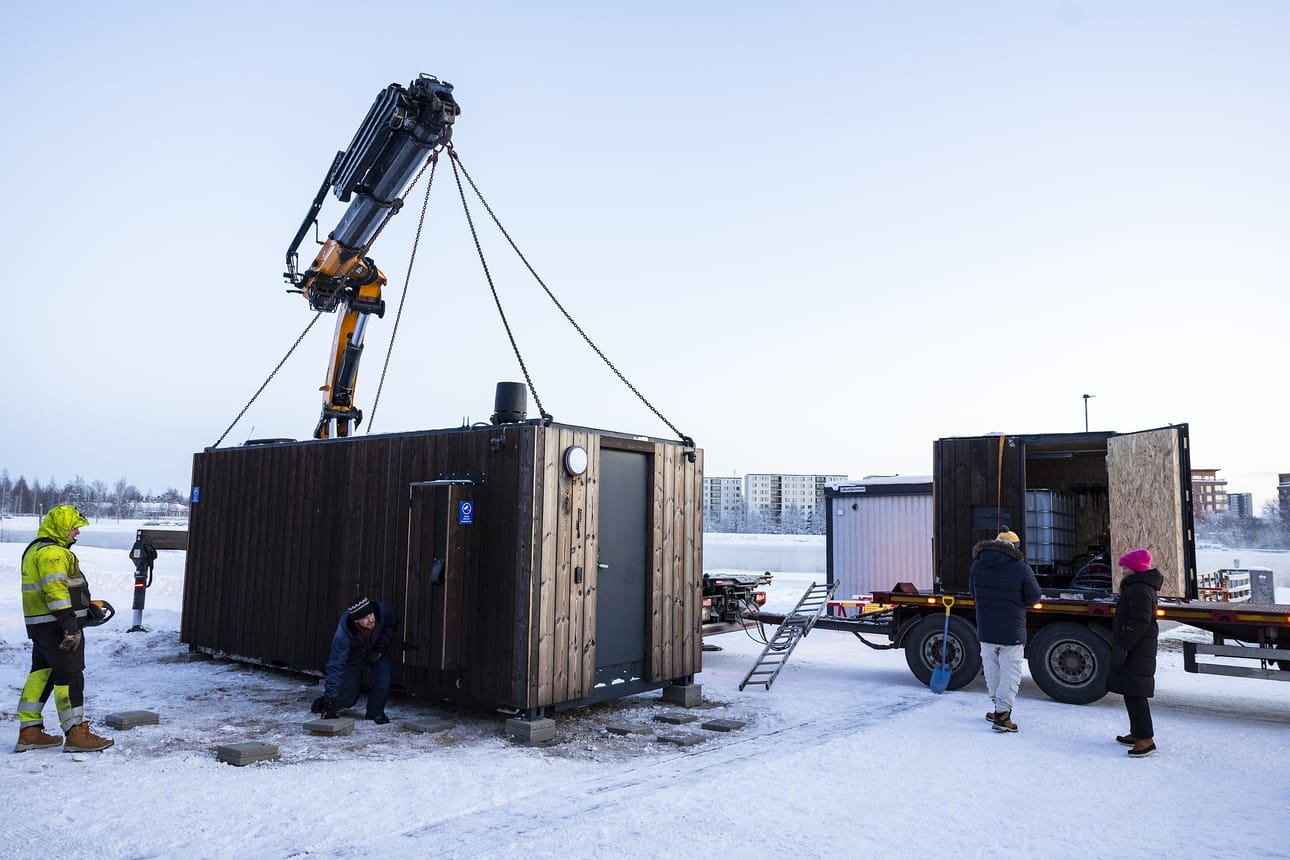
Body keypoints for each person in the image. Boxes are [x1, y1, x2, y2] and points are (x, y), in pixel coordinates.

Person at [15, 505, 114, 753]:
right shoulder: (53, 553)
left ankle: (30, 731)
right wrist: (70, 625)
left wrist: (85, 607)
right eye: (74, 527)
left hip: (41, 625)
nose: (77, 532)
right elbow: (56, 591)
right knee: (69, 676)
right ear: (61, 526)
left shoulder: (36, 549)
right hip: (57, 626)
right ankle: (76, 733)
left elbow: (58, 589)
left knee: (42, 672)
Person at [969, 529, 1042, 734]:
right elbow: (1033, 597)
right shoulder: (1021, 568)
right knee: (1011, 672)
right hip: (1011, 630)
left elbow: (973, 592)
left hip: (986, 627)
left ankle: (997, 709)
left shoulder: (977, 565)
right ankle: (1003, 717)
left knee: (992, 670)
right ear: (1015, 547)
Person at [1108, 548, 1162, 758]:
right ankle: (1137, 732)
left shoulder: (1139, 589)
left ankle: (1145, 740)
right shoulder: (1139, 586)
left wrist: (1124, 644)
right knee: (1131, 692)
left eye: (1125, 567)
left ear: (1135, 569)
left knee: (1136, 693)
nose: (1122, 570)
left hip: (1137, 649)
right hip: (1138, 648)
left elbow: (1139, 622)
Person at [311, 597, 399, 724]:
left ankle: (375, 712)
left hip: (375, 649)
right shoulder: (343, 635)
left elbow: (392, 623)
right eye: (366, 618)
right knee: (349, 699)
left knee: (385, 673)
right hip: (354, 654)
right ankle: (328, 702)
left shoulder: (383, 610)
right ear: (357, 621)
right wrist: (330, 699)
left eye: (371, 614)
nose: (371, 619)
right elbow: (336, 665)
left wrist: (383, 643)